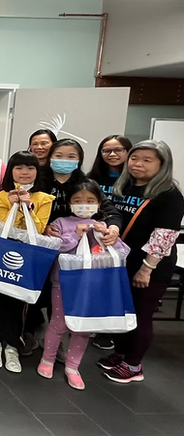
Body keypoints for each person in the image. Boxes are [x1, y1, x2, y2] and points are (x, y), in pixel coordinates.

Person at [102, 140, 184, 384]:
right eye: (135, 158)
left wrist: (147, 268)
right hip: (122, 260)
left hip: (149, 266)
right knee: (121, 311)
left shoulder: (169, 194)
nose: (138, 164)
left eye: (148, 160)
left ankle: (133, 365)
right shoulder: (124, 186)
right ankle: (120, 353)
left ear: (162, 164)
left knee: (141, 314)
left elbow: (164, 235)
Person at [38, 180, 130, 390]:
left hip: (93, 285)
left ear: (99, 204)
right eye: (78, 201)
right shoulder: (61, 222)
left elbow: (122, 251)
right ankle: (48, 358)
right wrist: (76, 234)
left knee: (84, 328)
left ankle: (73, 366)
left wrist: (108, 237)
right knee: (58, 323)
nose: (84, 205)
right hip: (63, 282)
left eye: (90, 201)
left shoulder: (103, 225)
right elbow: (56, 247)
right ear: (70, 203)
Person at [0, 151, 55, 373]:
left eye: (30, 168)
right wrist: (12, 204)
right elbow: (3, 227)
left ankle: (13, 345)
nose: (25, 173)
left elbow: (39, 229)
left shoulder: (44, 198)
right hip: (2, 255)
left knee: (21, 302)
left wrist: (28, 207)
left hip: (28, 258)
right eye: (19, 168)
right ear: (11, 171)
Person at [86, 135, 132, 352]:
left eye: (118, 150)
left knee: (119, 284)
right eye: (106, 150)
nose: (112, 154)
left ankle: (111, 330)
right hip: (97, 237)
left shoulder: (137, 179)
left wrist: (114, 226)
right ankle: (95, 323)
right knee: (97, 281)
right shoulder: (92, 179)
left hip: (126, 235)